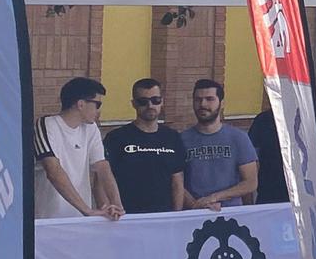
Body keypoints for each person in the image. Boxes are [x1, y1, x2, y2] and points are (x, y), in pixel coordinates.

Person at [34, 76, 120, 220]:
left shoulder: (91, 128)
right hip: (48, 219)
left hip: (79, 219)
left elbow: (102, 166)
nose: (99, 111)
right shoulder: (46, 125)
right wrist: (87, 210)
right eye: (97, 105)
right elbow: (53, 170)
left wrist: (117, 205)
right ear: (81, 104)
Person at [101, 78, 188, 215]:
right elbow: (102, 180)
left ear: (162, 101)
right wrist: (107, 210)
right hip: (126, 217)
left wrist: (176, 216)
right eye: (143, 101)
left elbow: (177, 181)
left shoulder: (172, 137)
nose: (150, 105)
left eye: (155, 100)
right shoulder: (116, 137)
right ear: (134, 104)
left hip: (163, 217)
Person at [180, 79, 259, 209]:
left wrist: (214, 198)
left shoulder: (239, 138)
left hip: (230, 213)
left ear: (221, 103)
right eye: (198, 99)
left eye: (209, 99)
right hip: (194, 213)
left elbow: (250, 182)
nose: (203, 104)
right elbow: (176, 181)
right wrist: (196, 205)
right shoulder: (181, 140)